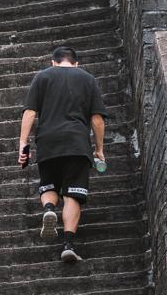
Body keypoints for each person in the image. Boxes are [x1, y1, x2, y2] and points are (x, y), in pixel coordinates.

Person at [18, 45, 107, 264]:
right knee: (72, 194)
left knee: (48, 185)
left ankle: (49, 208)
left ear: (53, 62)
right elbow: (97, 119)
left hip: (48, 142)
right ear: (76, 63)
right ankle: (68, 244)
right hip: (76, 144)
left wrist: (23, 145)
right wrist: (99, 149)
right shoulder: (87, 79)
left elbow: (30, 112)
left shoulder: (43, 77)